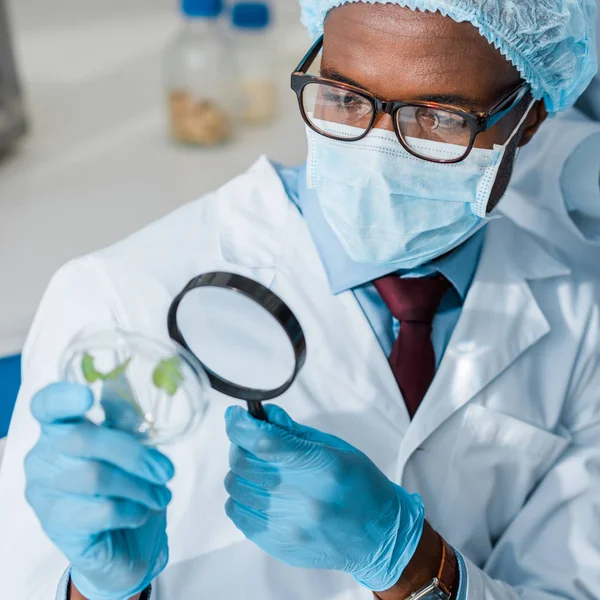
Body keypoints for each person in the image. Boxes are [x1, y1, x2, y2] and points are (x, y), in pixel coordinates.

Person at [0, 1, 599, 599]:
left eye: (437, 118)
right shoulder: (117, 298)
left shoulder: (580, 320)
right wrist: (98, 591)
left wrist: (412, 566)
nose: (377, 151)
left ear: (530, 119)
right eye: (343, 97)